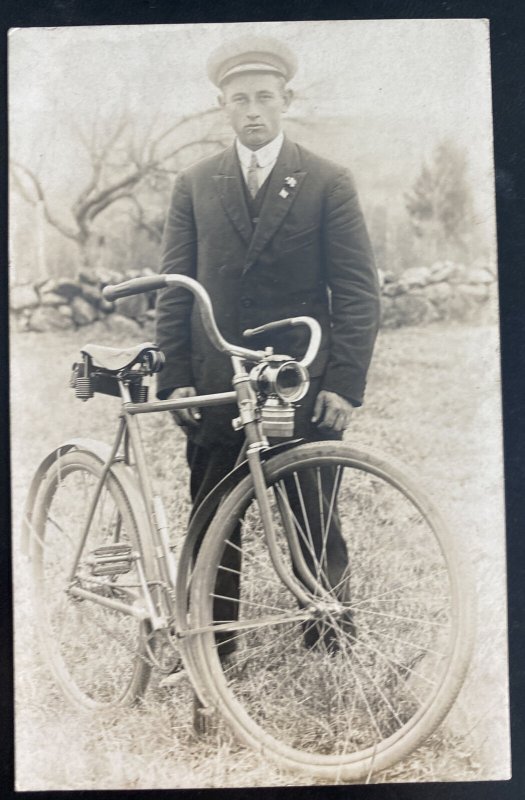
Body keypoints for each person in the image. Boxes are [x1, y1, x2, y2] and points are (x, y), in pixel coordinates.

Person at [155, 35, 381, 661]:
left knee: (312, 510)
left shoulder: (328, 182)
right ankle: (213, 645)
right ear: (221, 106)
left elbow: (358, 291)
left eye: (263, 97)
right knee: (211, 517)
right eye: (238, 99)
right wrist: (174, 376)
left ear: (285, 100)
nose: (252, 110)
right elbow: (176, 286)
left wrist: (342, 383)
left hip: (299, 382)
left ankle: (328, 637)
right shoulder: (195, 184)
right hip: (215, 380)